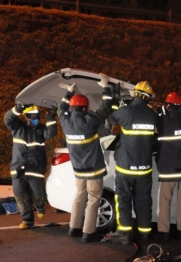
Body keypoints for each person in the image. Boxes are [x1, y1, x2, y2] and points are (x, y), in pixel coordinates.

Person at [58, 73, 113, 242]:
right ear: (84, 108)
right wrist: (105, 86)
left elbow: (61, 109)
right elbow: (106, 107)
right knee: (94, 198)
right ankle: (88, 232)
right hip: (93, 169)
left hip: (78, 169)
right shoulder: (90, 120)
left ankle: (74, 228)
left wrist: (68, 93)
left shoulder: (65, 121)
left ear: (73, 108)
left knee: (79, 196)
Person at [108, 81, 157, 245]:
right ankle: (145, 234)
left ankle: (124, 234)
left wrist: (116, 102)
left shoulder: (127, 111)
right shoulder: (152, 115)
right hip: (144, 168)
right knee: (143, 201)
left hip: (125, 167)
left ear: (135, 94)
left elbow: (111, 118)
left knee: (123, 200)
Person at [4, 104, 57, 229]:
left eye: (37, 116)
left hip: (35, 169)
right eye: (32, 116)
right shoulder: (18, 128)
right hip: (18, 168)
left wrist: (50, 116)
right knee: (21, 195)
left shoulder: (42, 130)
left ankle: (40, 207)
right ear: (25, 117)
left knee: (38, 194)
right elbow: (8, 119)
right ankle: (27, 220)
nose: (35, 118)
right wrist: (18, 107)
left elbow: (52, 133)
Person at [155, 92, 181, 241]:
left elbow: (158, 117)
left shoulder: (163, 120)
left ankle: (163, 232)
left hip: (168, 167)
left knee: (165, 199)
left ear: (168, 105)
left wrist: (160, 110)